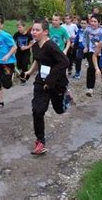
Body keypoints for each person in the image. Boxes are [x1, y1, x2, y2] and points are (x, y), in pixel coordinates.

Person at [23, 18, 70, 155]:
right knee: (37, 110)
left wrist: (50, 80)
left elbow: (64, 62)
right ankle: (40, 141)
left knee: (59, 110)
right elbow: (38, 60)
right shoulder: (35, 45)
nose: (33, 32)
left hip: (56, 83)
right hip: (41, 81)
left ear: (45, 32)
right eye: (33, 29)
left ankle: (65, 97)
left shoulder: (51, 46)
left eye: (37, 30)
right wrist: (29, 72)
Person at [83, 14, 102, 97]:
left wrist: (101, 46)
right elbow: (84, 37)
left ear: (99, 23)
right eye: (91, 21)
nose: (93, 23)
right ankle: (90, 88)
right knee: (91, 68)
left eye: (95, 22)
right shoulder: (88, 29)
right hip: (92, 51)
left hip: (101, 53)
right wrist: (85, 46)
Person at [13, 20, 34, 85]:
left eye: (20, 27)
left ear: (24, 26)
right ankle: (21, 77)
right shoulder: (16, 34)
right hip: (18, 52)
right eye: (18, 27)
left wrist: (26, 47)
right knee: (19, 66)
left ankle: (24, 80)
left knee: (25, 64)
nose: (19, 29)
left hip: (26, 52)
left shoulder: (29, 35)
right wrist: (14, 48)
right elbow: (13, 41)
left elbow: (31, 44)